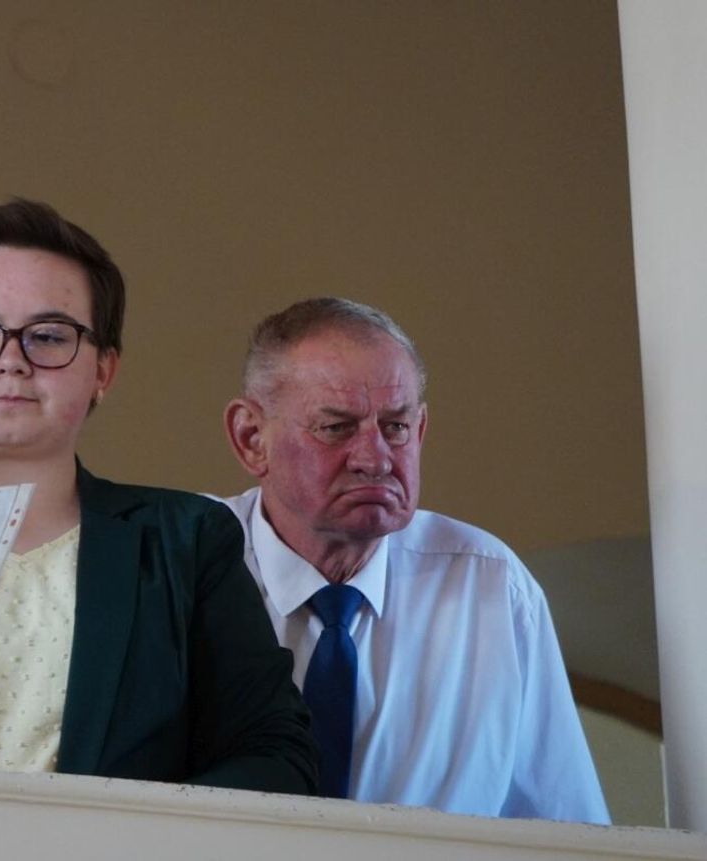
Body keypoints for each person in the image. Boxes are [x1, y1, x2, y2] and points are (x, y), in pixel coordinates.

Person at [0, 199, 317, 792]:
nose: (10, 361)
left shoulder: (188, 541)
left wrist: (133, 832)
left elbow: (277, 756)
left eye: (48, 337)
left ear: (103, 371)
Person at [218, 297, 607, 822]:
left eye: (396, 427)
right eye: (336, 428)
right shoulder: (178, 566)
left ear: (419, 430)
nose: (376, 458)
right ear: (251, 439)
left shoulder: (489, 585)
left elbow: (567, 830)